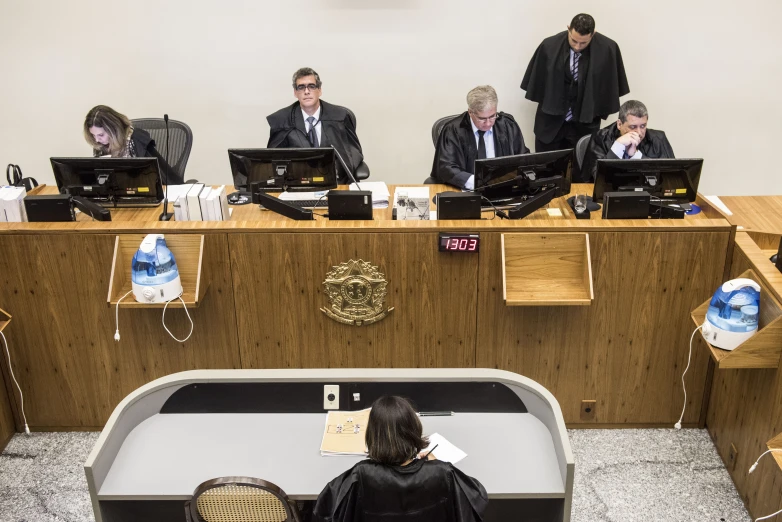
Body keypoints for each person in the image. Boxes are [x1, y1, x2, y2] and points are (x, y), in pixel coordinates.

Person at [313, 395, 488, 522]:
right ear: (414, 429)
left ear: (374, 436)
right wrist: (435, 464)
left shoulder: (361, 474)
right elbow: (477, 496)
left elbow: (325, 507)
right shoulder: (442, 472)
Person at [521, 13, 629, 153]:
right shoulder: (549, 46)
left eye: (583, 42)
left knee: (583, 171)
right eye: (573, 40)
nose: (578, 46)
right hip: (550, 125)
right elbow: (537, 84)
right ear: (568, 29)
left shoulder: (608, 49)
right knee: (546, 170)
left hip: (585, 125)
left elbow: (610, 87)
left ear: (593, 34)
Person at [267, 68, 367, 184]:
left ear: (319, 90)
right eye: (301, 87)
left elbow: (353, 152)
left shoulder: (340, 117)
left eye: (312, 86)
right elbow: (274, 159)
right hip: (297, 185)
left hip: (335, 183)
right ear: (295, 92)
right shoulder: (282, 120)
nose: (306, 91)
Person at [431, 85, 529, 189]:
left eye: (492, 116)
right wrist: (477, 184)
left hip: (504, 189)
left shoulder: (508, 125)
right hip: (466, 191)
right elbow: (446, 168)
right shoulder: (453, 130)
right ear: (470, 112)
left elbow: (523, 158)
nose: (487, 123)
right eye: (482, 118)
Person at [578, 100, 675, 182]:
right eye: (633, 127)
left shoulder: (658, 139)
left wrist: (636, 156)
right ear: (619, 124)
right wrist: (618, 146)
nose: (639, 132)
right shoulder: (601, 138)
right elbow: (598, 180)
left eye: (643, 126)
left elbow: (671, 178)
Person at [83, 105, 182, 185]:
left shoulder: (136, 140)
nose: (96, 140)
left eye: (100, 135)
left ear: (114, 130)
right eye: (93, 135)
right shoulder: (100, 145)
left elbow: (153, 178)